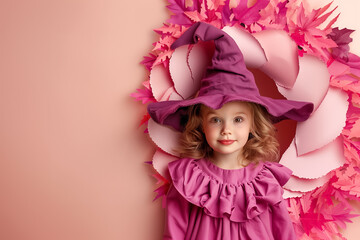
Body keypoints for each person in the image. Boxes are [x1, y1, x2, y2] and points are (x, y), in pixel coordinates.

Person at [147, 22, 313, 240]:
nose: (227, 130)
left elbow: (283, 231)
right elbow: (174, 231)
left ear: (253, 124)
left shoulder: (266, 179)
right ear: (200, 123)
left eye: (238, 120)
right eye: (216, 120)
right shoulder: (188, 177)